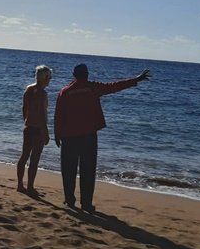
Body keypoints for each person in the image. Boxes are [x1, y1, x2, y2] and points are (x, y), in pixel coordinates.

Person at [54, 64, 150, 212]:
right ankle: (86, 203)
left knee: (68, 170)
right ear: (87, 74)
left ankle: (70, 200)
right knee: (88, 171)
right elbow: (114, 86)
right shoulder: (93, 88)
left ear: (74, 75)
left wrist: (57, 134)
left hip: (69, 137)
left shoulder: (65, 92)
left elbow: (58, 116)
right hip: (89, 137)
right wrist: (136, 79)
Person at [17, 65, 52, 194]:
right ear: (45, 78)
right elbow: (43, 115)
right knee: (34, 159)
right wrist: (46, 132)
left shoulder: (29, 89)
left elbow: (24, 108)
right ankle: (30, 187)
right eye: (49, 77)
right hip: (38, 129)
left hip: (28, 127)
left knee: (24, 156)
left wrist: (26, 120)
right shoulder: (43, 94)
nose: (50, 80)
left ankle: (20, 184)